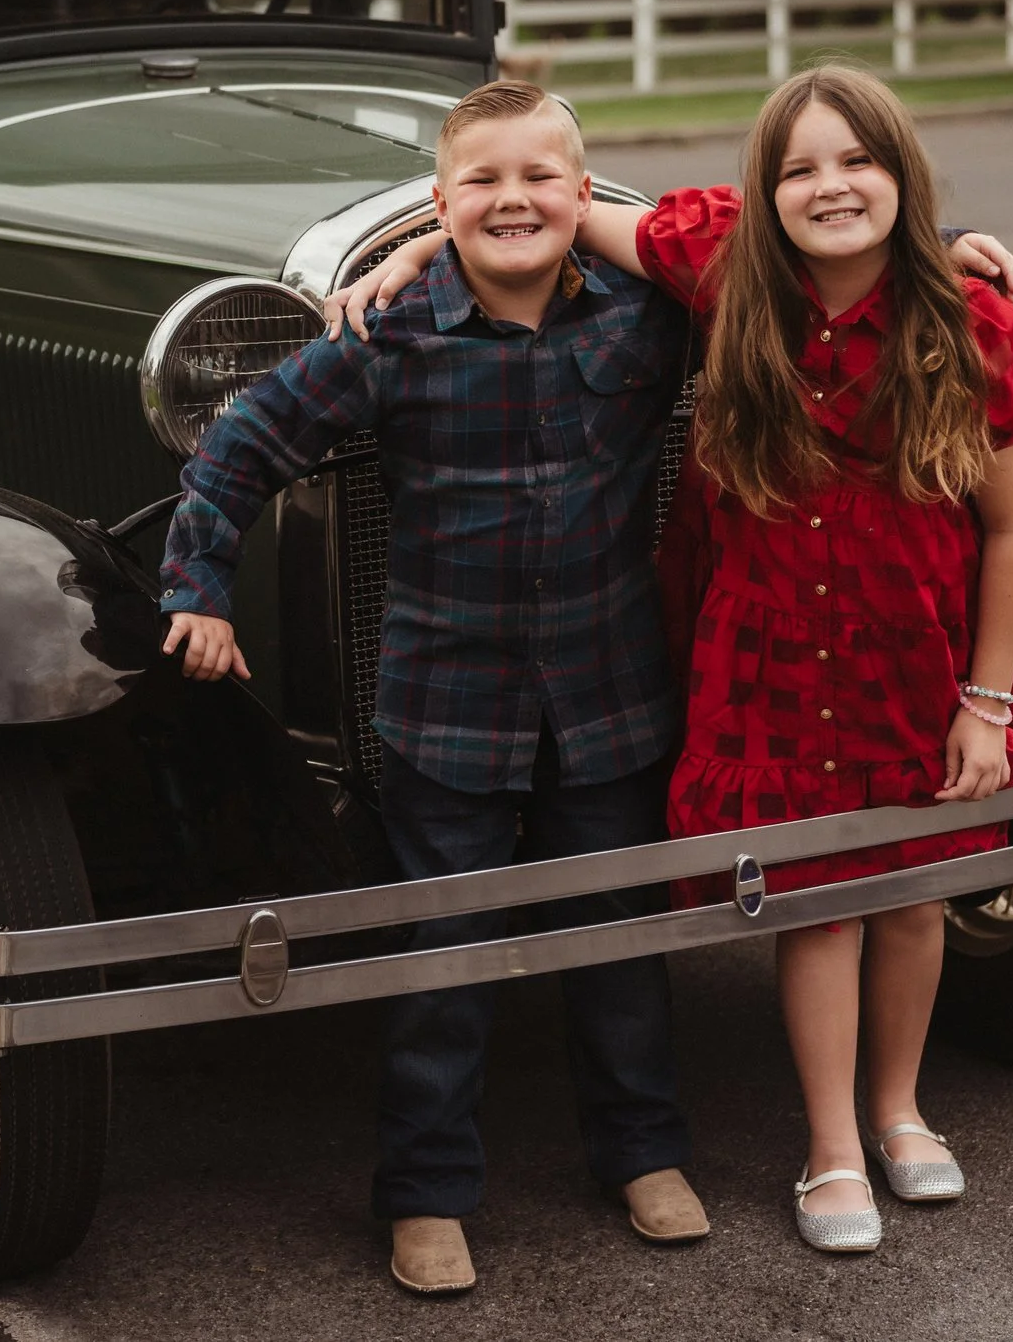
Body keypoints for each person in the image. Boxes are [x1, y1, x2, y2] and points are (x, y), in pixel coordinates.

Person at [332, 62, 1013, 1255]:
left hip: (918, 657)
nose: (830, 186)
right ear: (760, 192)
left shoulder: (972, 326)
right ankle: (828, 1144)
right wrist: (424, 245)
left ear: (903, 175)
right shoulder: (725, 272)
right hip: (777, 658)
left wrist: (986, 695)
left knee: (914, 891)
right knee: (817, 904)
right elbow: (564, 209)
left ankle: (899, 1111)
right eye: (799, 168)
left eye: (857, 160)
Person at [158, 80, 705, 1297]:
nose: (513, 199)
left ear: (583, 189)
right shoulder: (385, 338)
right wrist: (196, 585)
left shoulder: (646, 318)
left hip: (610, 691)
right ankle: (425, 1190)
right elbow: (241, 437)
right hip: (446, 704)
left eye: (539, 177)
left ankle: (643, 1150)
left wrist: (955, 263)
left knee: (620, 938)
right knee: (443, 949)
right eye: (482, 182)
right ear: (444, 200)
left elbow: (792, 292)